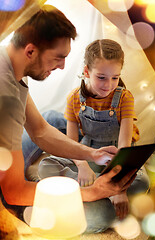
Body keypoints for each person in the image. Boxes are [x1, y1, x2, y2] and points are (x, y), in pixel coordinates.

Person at [0, 8, 137, 234]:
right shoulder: (6, 97)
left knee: (52, 118)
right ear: (31, 51)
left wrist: (91, 154)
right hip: (9, 187)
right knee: (97, 212)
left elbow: (41, 131)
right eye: (58, 57)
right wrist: (92, 192)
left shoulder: (13, 65)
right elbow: (14, 191)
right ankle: (30, 211)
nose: (63, 66)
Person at [24, 39, 149, 224]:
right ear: (86, 72)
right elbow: (71, 143)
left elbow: (124, 146)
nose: (109, 84)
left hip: (116, 158)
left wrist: (119, 187)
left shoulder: (125, 98)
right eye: (101, 77)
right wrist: (83, 167)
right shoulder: (74, 99)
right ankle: (98, 193)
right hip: (87, 153)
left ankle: (88, 193)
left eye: (115, 77)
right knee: (46, 166)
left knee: (142, 183)